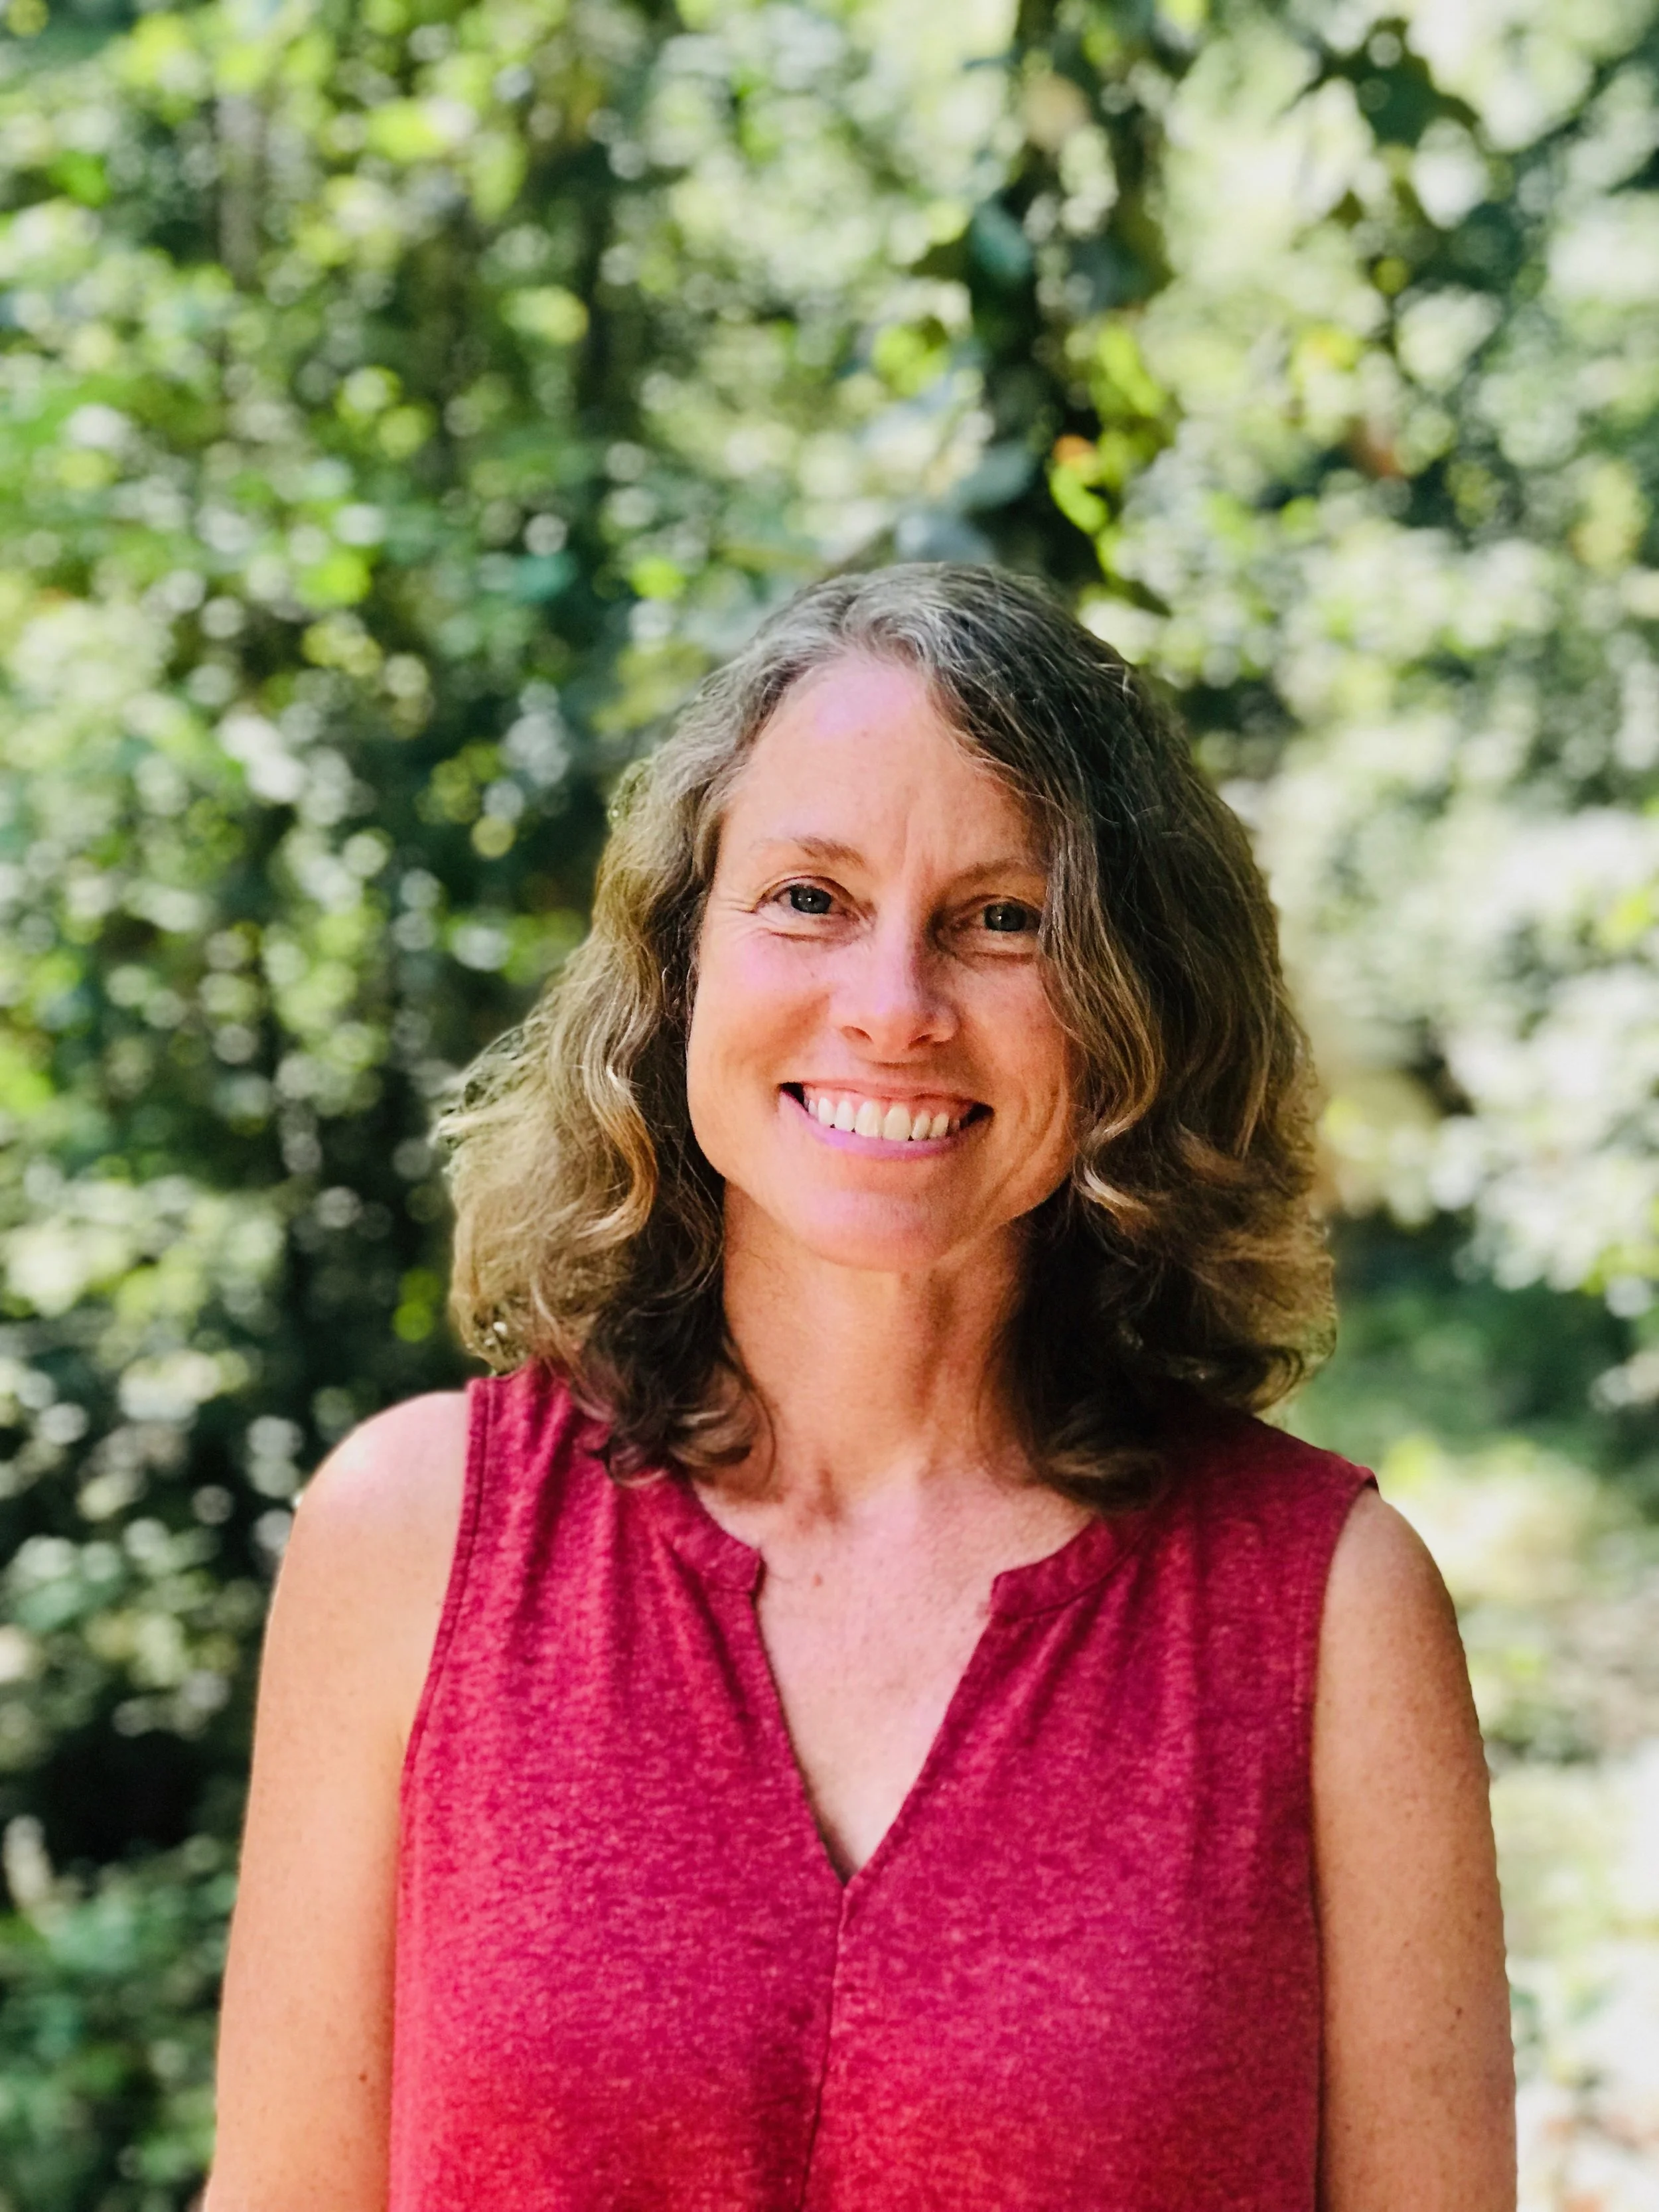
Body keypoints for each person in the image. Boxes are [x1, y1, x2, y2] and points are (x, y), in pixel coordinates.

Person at [206, 565, 1515, 2210]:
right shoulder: (413, 1540)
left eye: (1001, 920)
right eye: (808, 898)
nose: (890, 1007)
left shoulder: (1324, 1613)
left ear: (1133, 1011)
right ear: (680, 960)